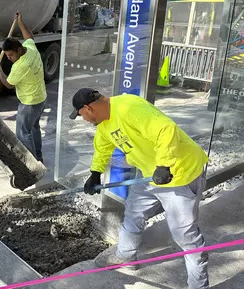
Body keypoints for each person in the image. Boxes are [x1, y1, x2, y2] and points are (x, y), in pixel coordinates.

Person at [69, 88, 209, 289]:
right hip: (149, 174)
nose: (84, 120)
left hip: (179, 172)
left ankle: (198, 286)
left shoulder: (128, 107)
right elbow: (103, 147)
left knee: (185, 234)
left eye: (82, 115)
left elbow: (166, 129)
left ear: (88, 108)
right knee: (134, 213)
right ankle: (125, 256)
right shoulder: (104, 124)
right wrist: (95, 173)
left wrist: (164, 164)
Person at [0, 12, 47, 163]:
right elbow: (29, 36)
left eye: (10, 55)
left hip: (29, 103)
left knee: (23, 133)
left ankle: (31, 165)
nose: (9, 58)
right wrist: (20, 22)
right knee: (33, 128)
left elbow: (8, 83)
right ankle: (39, 158)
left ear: (18, 50)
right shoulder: (31, 49)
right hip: (41, 99)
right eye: (7, 55)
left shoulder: (20, 66)